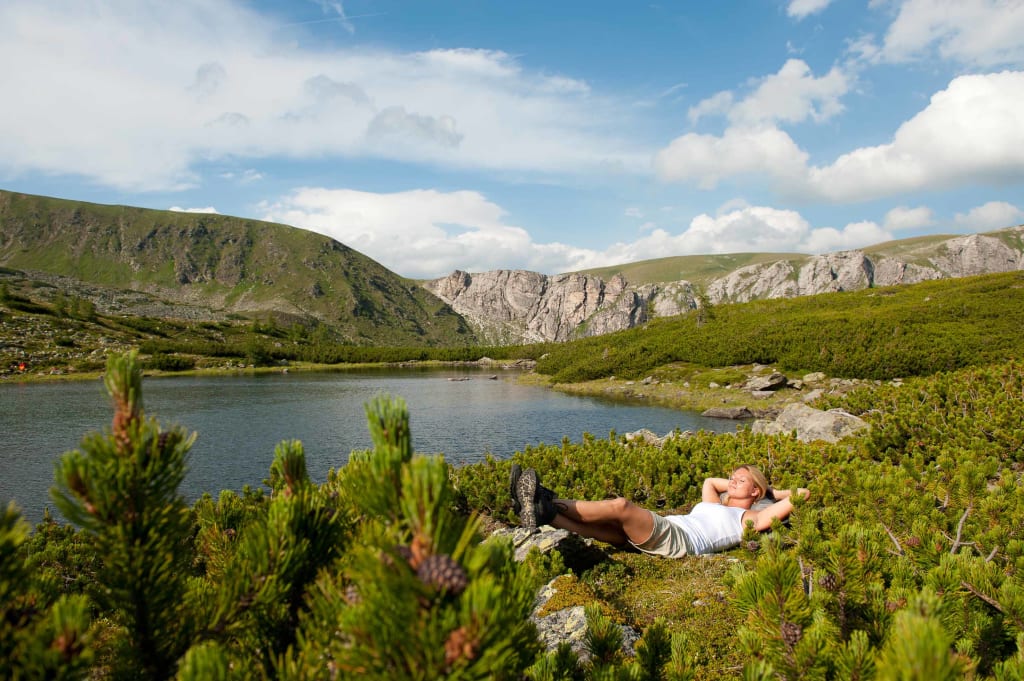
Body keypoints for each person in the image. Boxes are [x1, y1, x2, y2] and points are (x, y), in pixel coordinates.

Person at [511, 464, 810, 557]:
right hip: (665, 532)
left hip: (681, 541)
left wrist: (770, 492)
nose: (731, 481)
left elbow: (802, 494)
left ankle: (543, 499)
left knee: (621, 507)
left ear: (755, 491)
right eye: (731, 477)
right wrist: (741, 484)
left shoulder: (749, 517)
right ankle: (544, 513)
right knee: (612, 530)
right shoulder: (713, 502)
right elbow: (709, 480)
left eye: (740, 480)